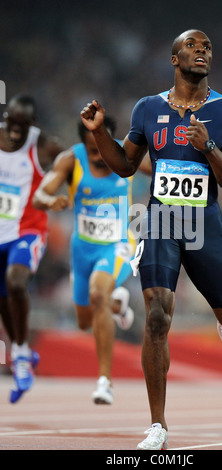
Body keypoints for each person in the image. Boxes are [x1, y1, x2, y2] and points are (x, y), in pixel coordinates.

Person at [80, 29, 222, 450]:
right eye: (193, 46)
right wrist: (101, 132)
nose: (202, 51)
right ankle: (157, 425)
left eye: (208, 46)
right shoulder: (147, 108)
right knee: (157, 314)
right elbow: (124, 165)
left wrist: (209, 147)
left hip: (204, 223)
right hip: (160, 220)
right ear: (175, 59)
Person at [33, 116, 150, 405]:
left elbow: (165, 168)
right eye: (93, 150)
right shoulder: (71, 159)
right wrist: (51, 202)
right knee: (85, 321)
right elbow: (40, 194)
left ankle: (104, 382)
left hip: (119, 242)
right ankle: (117, 303)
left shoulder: (128, 154)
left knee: (98, 292)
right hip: (83, 249)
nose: (101, 156)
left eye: (103, 147)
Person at [0, 94, 63, 403]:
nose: (14, 130)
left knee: (15, 280)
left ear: (32, 125)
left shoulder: (45, 146)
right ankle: (21, 353)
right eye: (11, 122)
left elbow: (76, 161)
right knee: (3, 296)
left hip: (28, 230)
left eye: (22, 125)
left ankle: (21, 356)